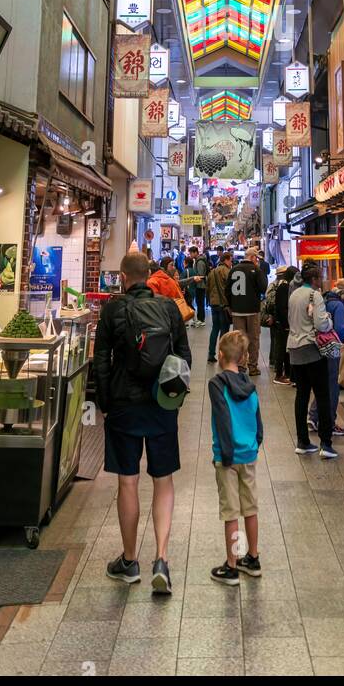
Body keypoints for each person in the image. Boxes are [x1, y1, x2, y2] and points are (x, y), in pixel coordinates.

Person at [93, 250, 192, 596]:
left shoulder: (112, 310)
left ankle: (130, 560)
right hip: (161, 406)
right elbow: (184, 358)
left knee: (128, 481)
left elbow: (101, 361)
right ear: (148, 275)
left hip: (123, 406)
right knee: (163, 481)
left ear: (122, 277)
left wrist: (104, 403)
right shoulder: (167, 308)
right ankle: (161, 558)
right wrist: (173, 399)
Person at [208, 330, 263, 585]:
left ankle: (231, 565)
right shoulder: (250, 386)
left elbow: (222, 421)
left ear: (220, 355)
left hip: (228, 457)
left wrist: (224, 454)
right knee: (250, 508)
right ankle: (252, 557)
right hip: (249, 454)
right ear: (243, 358)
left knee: (231, 512)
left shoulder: (217, 384)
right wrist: (255, 444)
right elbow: (257, 418)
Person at [288, 263, 337, 459]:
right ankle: (326, 443)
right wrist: (330, 320)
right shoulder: (314, 295)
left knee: (301, 395)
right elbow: (321, 324)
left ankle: (302, 441)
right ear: (315, 279)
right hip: (312, 349)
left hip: (295, 348)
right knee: (323, 396)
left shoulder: (294, 294)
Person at [309, 277, 344, 439]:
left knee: (323, 384)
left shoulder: (325, 300)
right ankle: (330, 422)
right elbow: (340, 327)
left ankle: (313, 416)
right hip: (334, 347)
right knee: (332, 386)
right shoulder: (339, 305)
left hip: (320, 346)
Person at [227, 247, 268, 376]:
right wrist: (259, 271)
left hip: (237, 311)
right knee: (254, 339)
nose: (257, 261)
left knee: (239, 340)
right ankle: (253, 366)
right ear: (252, 257)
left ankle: (240, 365)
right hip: (252, 310)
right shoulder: (256, 270)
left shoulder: (233, 270)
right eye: (256, 258)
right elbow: (263, 288)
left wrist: (230, 306)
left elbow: (227, 290)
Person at [269, 265, 296, 385]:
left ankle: (286, 374)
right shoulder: (284, 287)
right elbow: (281, 308)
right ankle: (279, 374)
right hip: (282, 323)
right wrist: (287, 322)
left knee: (285, 349)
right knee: (281, 349)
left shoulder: (284, 286)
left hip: (282, 322)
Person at [206, 249, 233, 363]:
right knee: (224, 330)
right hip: (223, 305)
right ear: (226, 260)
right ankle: (223, 355)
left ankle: (211, 354)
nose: (232, 263)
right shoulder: (227, 271)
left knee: (215, 328)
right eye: (231, 260)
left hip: (214, 304)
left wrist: (209, 301)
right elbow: (230, 288)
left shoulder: (212, 272)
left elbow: (208, 288)